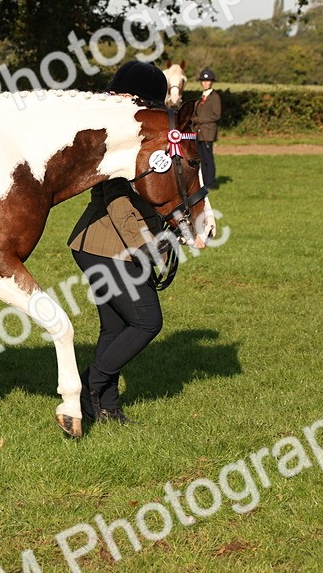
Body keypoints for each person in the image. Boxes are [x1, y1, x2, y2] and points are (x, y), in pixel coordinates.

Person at [67, 61, 175, 426]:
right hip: (106, 247)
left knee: (115, 329)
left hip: (99, 246)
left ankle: (106, 408)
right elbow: (117, 200)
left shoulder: (135, 134)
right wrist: (146, 249)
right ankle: (88, 387)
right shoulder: (117, 138)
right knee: (147, 322)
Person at [192, 68, 221, 189]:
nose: (205, 83)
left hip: (208, 132)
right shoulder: (201, 97)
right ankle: (204, 181)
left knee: (208, 158)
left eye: (207, 81)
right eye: (203, 81)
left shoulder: (215, 97)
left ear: (211, 82)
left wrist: (199, 120)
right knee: (202, 158)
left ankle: (211, 183)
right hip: (199, 132)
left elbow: (216, 114)